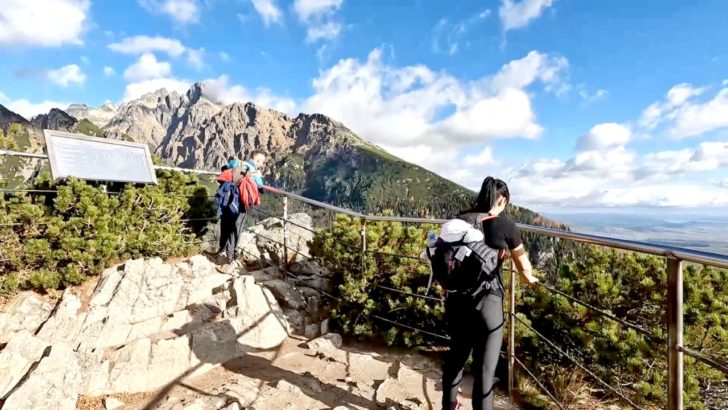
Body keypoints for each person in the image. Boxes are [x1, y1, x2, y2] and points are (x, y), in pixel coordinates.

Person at [440, 176, 538, 410]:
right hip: (488, 302)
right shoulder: (505, 226)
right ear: (502, 200)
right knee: (485, 369)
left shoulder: (458, 222)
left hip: (455, 301)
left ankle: (449, 406)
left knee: (456, 358)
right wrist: (530, 279)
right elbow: (524, 268)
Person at [215, 150, 267, 263]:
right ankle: (231, 256)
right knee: (235, 228)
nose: (262, 164)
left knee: (225, 225)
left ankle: (221, 251)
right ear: (258, 160)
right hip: (239, 202)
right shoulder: (255, 173)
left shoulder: (237, 162)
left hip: (225, 197)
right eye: (262, 161)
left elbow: (225, 168)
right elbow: (260, 187)